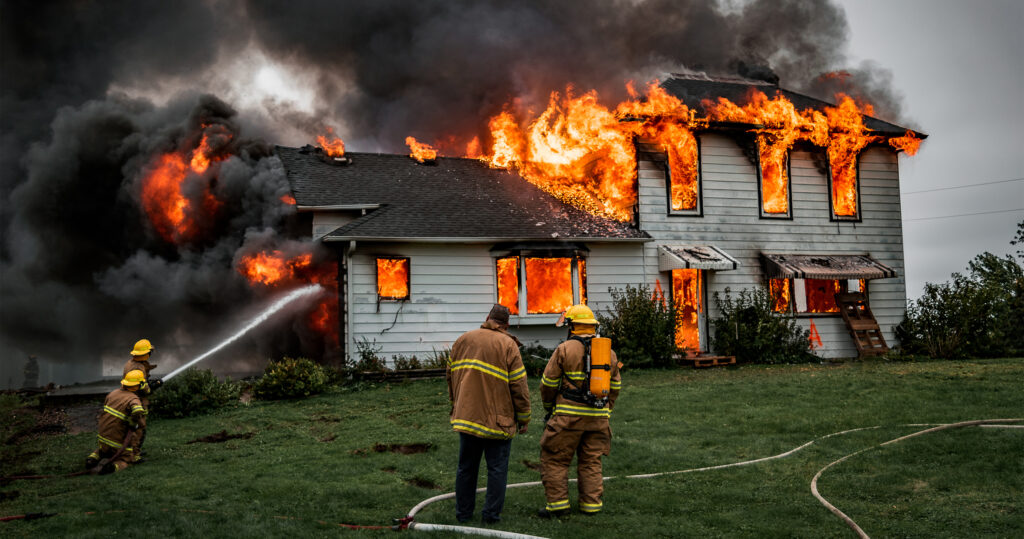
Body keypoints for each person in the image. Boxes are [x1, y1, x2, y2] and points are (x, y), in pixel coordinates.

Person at [447, 304, 532, 524]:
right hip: (498, 421)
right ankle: (491, 516)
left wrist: (457, 404)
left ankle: (463, 514)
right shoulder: (508, 345)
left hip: (467, 417)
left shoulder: (463, 340)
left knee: (466, 468)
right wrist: (524, 417)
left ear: (487, 318)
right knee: (497, 469)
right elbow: (519, 386)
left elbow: (450, 376)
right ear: (506, 325)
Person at [538, 304, 621, 518]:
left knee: (555, 459)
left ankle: (558, 507)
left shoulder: (565, 349)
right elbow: (616, 386)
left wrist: (549, 408)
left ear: (572, 326)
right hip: (598, 418)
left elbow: (548, 384)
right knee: (591, 461)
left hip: (568, 418)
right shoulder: (609, 353)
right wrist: (606, 409)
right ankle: (590, 506)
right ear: (593, 327)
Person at [85, 369, 148, 474]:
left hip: (103, 439)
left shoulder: (112, 393)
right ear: (139, 385)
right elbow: (137, 410)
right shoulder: (133, 399)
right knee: (126, 459)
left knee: (102, 451)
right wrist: (133, 422)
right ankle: (111, 468)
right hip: (118, 444)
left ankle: (92, 459)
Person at [123, 339, 160, 462]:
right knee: (139, 428)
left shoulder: (131, 363)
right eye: (149, 352)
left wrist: (148, 383)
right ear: (146, 354)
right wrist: (152, 387)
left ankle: (135, 449)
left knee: (137, 428)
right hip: (136, 401)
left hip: (130, 398)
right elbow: (142, 389)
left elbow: (137, 383)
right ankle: (135, 455)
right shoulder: (138, 368)